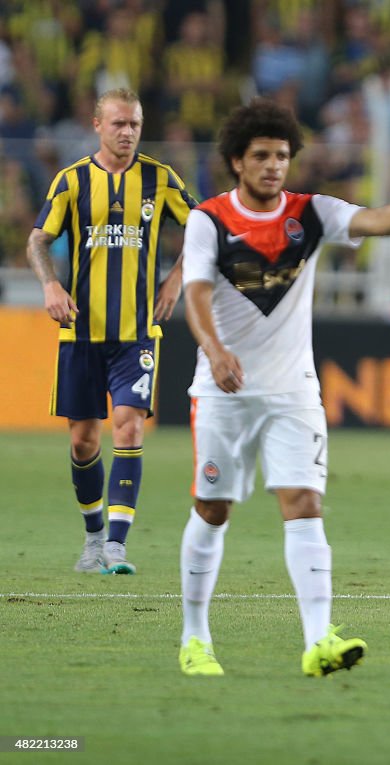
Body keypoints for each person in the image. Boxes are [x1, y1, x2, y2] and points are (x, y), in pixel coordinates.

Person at [178, 99, 390, 677]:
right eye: (261, 156)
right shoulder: (209, 220)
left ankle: (318, 639)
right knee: (213, 508)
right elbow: (195, 296)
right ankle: (195, 639)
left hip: (293, 390)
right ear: (237, 161)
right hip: (223, 389)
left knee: (304, 505)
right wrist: (215, 349)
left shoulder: (312, 212)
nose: (274, 166)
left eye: (281, 155)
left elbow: (374, 220)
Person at [26, 87, 198, 576]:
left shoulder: (160, 179)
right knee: (83, 441)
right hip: (80, 332)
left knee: (129, 422)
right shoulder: (72, 180)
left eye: (135, 124)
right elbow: (38, 239)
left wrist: (176, 277)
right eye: (119, 124)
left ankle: (117, 548)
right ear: (97, 125)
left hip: (137, 332)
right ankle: (93, 537)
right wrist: (51, 285)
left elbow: (205, 225)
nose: (128, 132)